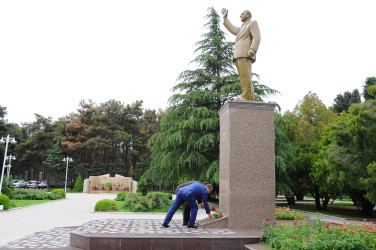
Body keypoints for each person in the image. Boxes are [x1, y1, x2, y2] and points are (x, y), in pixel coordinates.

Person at [221, 8, 261, 101]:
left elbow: (257, 37)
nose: (240, 15)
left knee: (245, 76)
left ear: (248, 15)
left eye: (242, 14)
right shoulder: (242, 27)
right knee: (243, 76)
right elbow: (233, 29)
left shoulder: (252, 23)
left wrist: (253, 49)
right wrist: (225, 19)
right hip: (238, 54)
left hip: (246, 53)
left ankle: (246, 96)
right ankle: (249, 97)